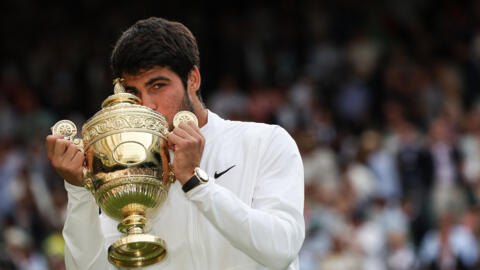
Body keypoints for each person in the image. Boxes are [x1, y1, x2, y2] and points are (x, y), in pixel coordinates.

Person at [45, 17, 305, 269]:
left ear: (193, 79)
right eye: (133, 93)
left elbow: (281, 249)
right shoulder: (126, 167)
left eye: (157, 85)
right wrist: (79, 191)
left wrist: (195, 183)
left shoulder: (265, 142)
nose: (147, 105)